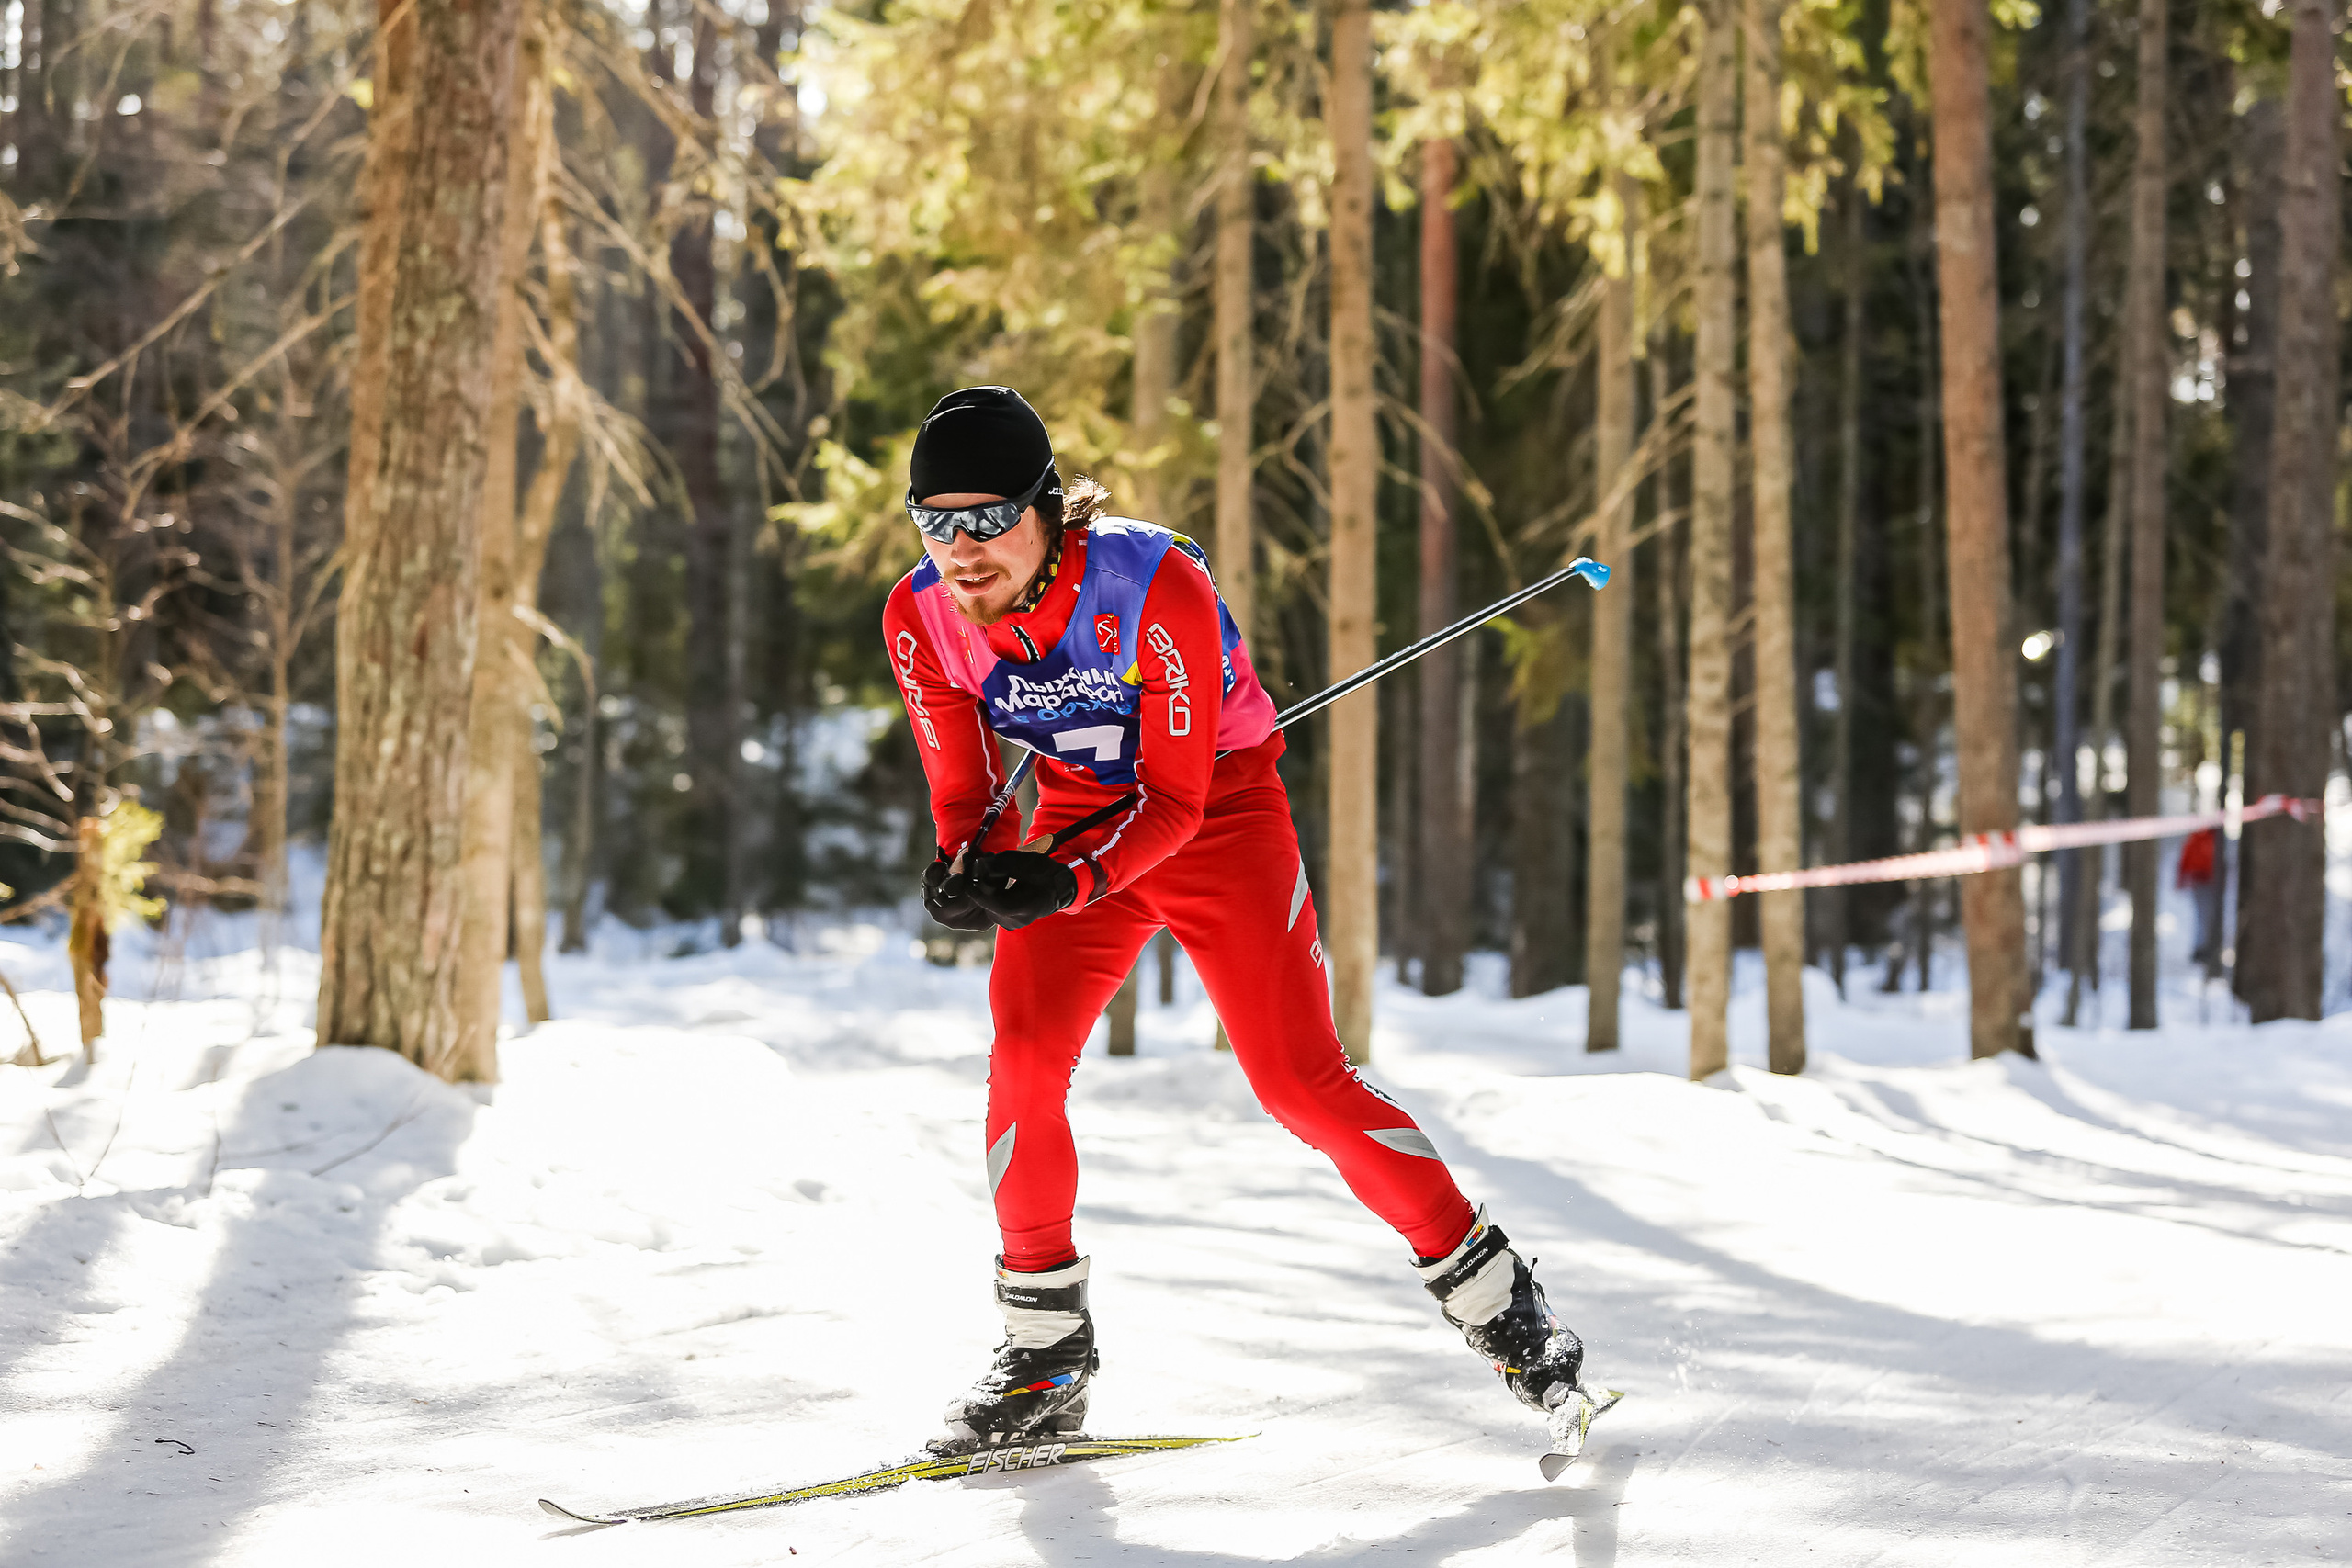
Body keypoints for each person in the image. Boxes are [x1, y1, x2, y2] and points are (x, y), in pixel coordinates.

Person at [882, 386, 1610, 1461]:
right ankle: (1043, 1354)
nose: (963, 547)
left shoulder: (1151, 583)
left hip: (1216, 814)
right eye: (936, 521)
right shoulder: (920, 617)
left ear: (1050, 508)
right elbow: (961, 787)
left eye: (989, 517)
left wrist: (1062, 885)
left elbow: (1173, 805)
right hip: (1077, 821)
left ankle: (1500, 1301)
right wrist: (964, 863)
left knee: (1294, 1081)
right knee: (1023, 1065)